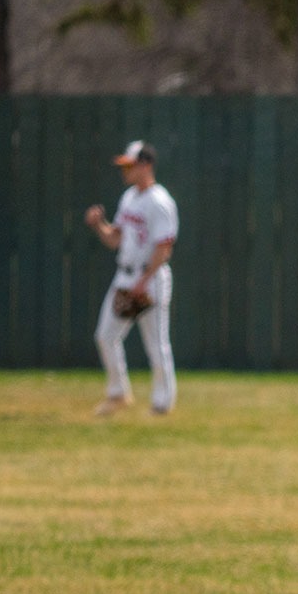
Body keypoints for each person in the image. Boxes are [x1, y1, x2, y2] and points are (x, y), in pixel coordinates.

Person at [85, 141, 178, 417]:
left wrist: (145, 280)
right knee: (105, 336)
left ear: (146, 166)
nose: (125, 170)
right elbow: (116, 238)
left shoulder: (160, 202)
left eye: (130, 165)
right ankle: (118, 393)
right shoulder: (129, 198)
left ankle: (162, 403)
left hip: (149, 278)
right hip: (124, 276)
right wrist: (98, 225)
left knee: (156, 345)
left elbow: (164, 247)